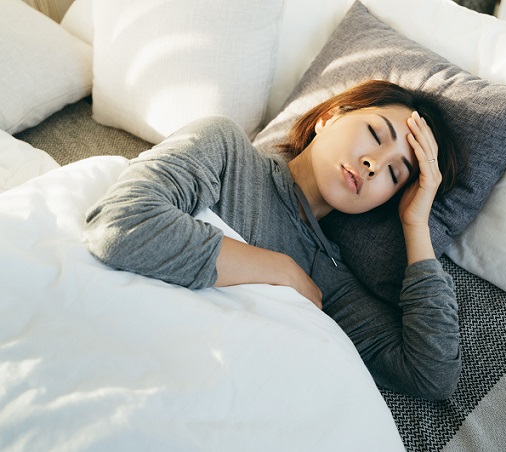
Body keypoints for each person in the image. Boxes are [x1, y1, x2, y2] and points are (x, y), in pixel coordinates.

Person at [84, 80, 464, 400]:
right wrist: (280, 270)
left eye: (395, 174)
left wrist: (415, 223)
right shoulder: (227, 150)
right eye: (375, 134)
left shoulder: (332, 283)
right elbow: (120, 225)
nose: (374, 164)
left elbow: (430, 374)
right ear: (330, 118)